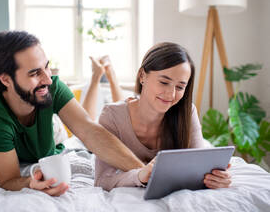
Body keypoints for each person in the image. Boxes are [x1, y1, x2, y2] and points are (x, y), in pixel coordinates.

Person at [0, 30, 148, 197]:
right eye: (35, 73)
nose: (48, 79)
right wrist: (30, 183)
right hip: (10, 129)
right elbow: (9, 180)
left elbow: (89, 130)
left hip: (54, 131)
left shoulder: (53, 87)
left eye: (47, 67)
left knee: (70, 127)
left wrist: (143, 171)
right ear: (5, 79)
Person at [95, 42, 232, 191]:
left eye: (180, 87)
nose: (171, 94)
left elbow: (198, 168)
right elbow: (102, 180)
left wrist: (215, 179)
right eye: (164, 82)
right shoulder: (112, 116)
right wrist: (140, 176)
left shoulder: (187, 112)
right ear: (142, 76)